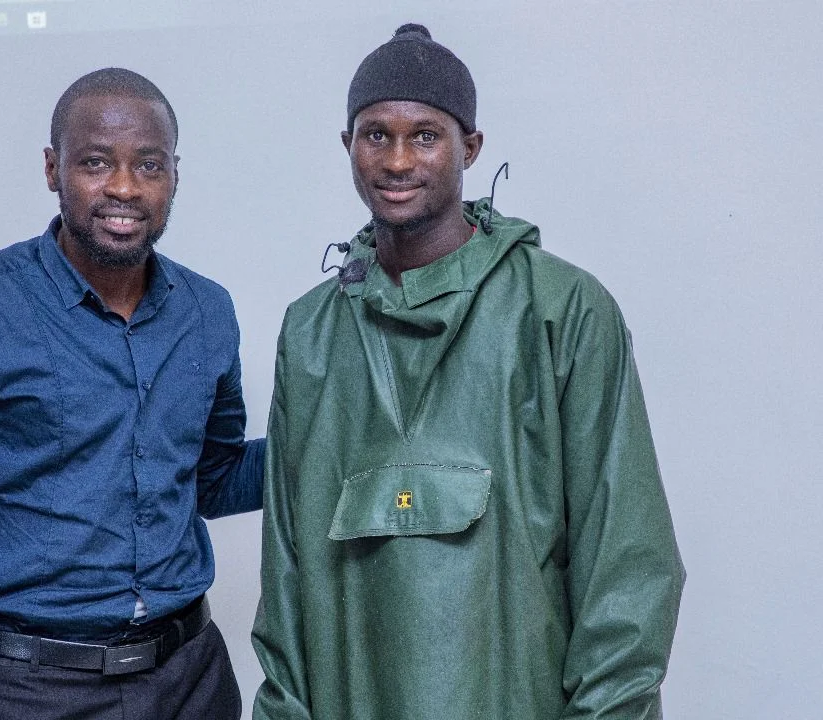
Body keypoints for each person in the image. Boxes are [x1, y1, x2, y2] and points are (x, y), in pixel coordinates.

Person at [252, 24, 685, 720]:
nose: (398, 160)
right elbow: (285, 579)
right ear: (347, 145)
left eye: (425, 136)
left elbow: (625, 567)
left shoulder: (563, 310)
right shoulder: (311, 331)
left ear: (471, 147)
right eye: (376, 135)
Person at [0, 68, 263, 720]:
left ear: (175, 175)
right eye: (96, 163)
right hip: (32, 692)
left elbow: (212, 479)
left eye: (149, 165)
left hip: (192, 682)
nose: (124, 187)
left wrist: (342, 438)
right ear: (53, 169)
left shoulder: (207, 311)